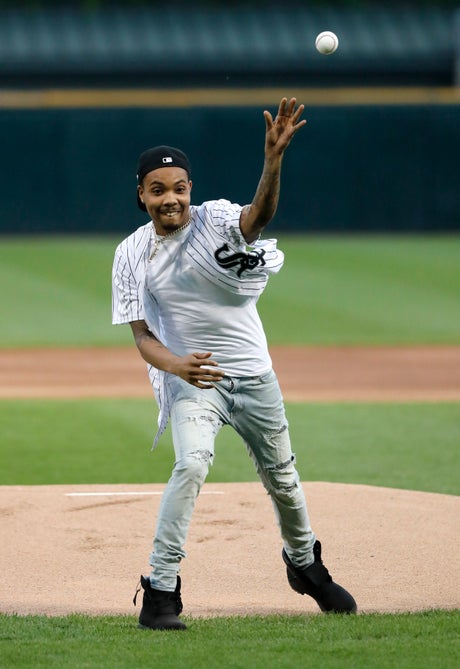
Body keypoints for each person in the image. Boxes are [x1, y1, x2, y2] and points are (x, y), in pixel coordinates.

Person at [112, 97, 357, 631]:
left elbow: (257, 217)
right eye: (158, 189)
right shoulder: (130, 254)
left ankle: (305, 566)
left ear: (190, 190)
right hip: (195, 380)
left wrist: (273, 161)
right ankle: (160, 590)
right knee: (192, 464)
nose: (171, 198)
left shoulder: (216, 219)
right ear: (141, 195)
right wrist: (178, 366)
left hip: (254, 375)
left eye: (179, 188)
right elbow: (143, 337)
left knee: (284, 479)